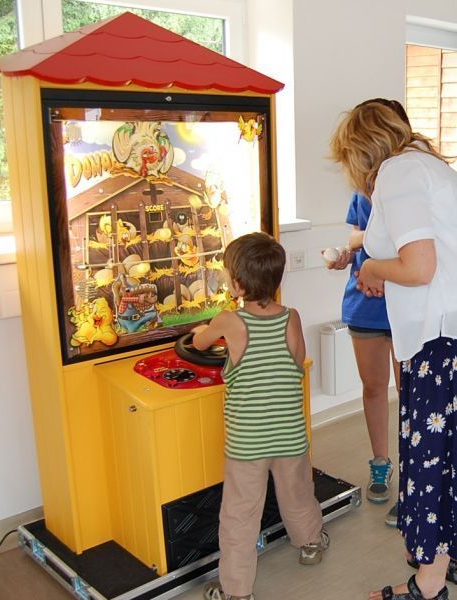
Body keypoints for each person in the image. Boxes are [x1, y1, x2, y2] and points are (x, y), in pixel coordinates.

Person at [330, 101, 457, 600]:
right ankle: (440, 562)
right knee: (446, 460)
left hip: (438, 341)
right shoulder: (426, 166)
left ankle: (427, 585)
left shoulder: (398, 173)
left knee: (429, 459)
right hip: (446, 332)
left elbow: (419, 267)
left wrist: (371, 268)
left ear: (361, 149)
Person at [192, 232, 327, 600]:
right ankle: (311, 543)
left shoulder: (228, 321)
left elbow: (199, 343)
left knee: (240, 513)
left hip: (248, 443)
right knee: (298, 493)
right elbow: (297, 363)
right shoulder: (291, 318)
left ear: (237, 284)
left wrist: (203, 331)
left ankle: (236, 590)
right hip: (290, 436)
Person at [326, 99, 409, 527]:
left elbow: (408, 248)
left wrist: (369, 251)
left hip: (405, 302)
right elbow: (358, 236)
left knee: (412, 394)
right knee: (374, 388)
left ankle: (415, 479)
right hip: (364, 302)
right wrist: (348, 254)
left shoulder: (411, 186)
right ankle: (381, 463)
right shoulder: (362, 189)